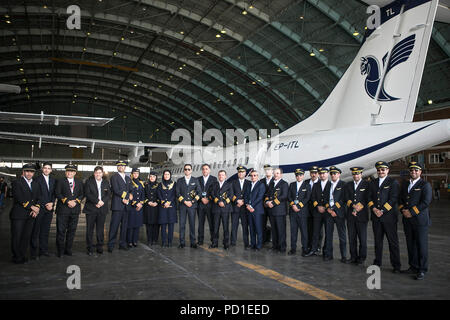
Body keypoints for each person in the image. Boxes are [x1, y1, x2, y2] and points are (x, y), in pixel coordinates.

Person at [399, 162, 432, 280]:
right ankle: (413, 266)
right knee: (410, 245)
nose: (413, 172)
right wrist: (403, 210)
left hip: (420, 220)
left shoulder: (425, 185)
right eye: (412, 170)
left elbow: (426, 202)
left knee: (421, 245)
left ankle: (422, 269)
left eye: (416, 170)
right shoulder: (405, 184)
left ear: (420, 172)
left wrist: (411, 212)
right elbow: (401, 199)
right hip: (407, 220)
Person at [368, 161, 401, 273]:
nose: (380, 171)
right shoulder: (372, 183)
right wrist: (374, 209)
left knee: (393, 242)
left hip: (389, 217)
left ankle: (396, 265)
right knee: (378, 241)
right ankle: (377, 261)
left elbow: (393, 198)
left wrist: (382, 210)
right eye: (378, 170)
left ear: (387, 170)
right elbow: (369, 198)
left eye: (383, 169)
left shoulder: (393, 182)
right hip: (376, 217)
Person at [10, 163, 41, 264]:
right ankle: (16, 256)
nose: (29, 173)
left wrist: (36, 208)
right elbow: (19, 197)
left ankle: (22, 255)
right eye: (27, 171)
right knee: (17, 236)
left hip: (30, 214)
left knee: (26, 236)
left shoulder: (36, 184)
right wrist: (32, 207)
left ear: (34, 173)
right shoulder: (17, 182)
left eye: (31, 172)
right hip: (19, 214)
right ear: (23, 172)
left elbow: (38, 198)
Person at [55, 164, 84, 257]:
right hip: (63, 210)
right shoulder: (60, 181)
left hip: (75, 210)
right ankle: (60, 250)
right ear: (65, 172)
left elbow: (82, 194)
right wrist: (67, 201)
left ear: (75, 173)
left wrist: (76, 202)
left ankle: (68, 249)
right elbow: (57, 193)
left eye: (71, 171)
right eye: (67, 171)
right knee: (61, 231)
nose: (69, 173)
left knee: (72, 231)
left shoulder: (79, 182)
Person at [83, 166, 111, 255]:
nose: (98, 174)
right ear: (94, 173)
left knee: (100, 229)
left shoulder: (106, 182)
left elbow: (108, 194)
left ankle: (100, 247)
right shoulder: (89, 182)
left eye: (100, 173)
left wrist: (102, 202)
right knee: (89, 229)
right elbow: (87, 193)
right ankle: (89, 248)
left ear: (102, 174)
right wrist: (97, 201)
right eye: (96, 173)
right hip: (91, 208)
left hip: (102, 209)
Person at [344, 167, 369, 265]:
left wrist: (359, 207)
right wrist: (352, 205)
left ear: (361, 174)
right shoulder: (348, 185)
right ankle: (353, 256)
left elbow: (367, 197)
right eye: (354, 174)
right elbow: (346, 197)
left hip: (362, 215)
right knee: (352, 238)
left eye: (358, 174)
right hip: (351, 215)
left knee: (362, 239)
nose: (356, 176)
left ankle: (362, 258)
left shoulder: (366, 184)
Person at [32, 162, 56, 258]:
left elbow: (54, 193)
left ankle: (43, 250)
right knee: (36, 231)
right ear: (42, 169)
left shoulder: (53, 180)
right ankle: (34, 252)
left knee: (45, 231)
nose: (46, 170)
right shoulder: (36, 180)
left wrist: (52, 203)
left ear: (51, 170)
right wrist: (42, 205)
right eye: (45, 168)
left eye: (48, 168)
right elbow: (35, 194)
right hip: (40, 208)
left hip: (49, 209)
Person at [323, 166, 347, 262]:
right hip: (329, 213)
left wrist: (334, 209)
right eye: (332, 174)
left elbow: (343, 199)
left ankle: (344, 256)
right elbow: (324, 198)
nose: (333, 175)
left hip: (339, 213)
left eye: (335, 173)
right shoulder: (328, 185)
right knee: (328, 235)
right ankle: (329, 255)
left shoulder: (343, 184)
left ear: (339, 174)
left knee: (342, 235)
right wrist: (328, 208)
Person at [108, 160, 132, 252]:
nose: (121, 167)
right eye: (119, 166)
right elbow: (116, 190)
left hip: (126, 206)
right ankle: (111, 245)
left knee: (124, 226)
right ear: (117, 167)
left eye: (123, 166)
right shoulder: (114, 177)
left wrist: (130, 195)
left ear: (125, 167)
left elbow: (130, 189)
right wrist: (126, 196)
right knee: (114, 225)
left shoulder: (128, 178)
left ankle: (122, 243)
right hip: (118, 206)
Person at [306, 167, 331, 257]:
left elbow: (332, 198)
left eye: (324, 173)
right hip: (317, 211)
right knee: (315, 232)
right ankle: (313, 249)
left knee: (328, 232)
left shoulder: (331, 184)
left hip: (327, 212)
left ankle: (326, 251)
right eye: (321, 173)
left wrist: (325, 206)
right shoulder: (316, 185)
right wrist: (318, 206)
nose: (322, 175)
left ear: (327, 174)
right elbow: (313, 197)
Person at [176, 164, 202, 249]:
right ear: (184, 170)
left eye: (189, 169)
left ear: (191, 170)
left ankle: (193, 242)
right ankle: (182, 242)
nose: (187, 170)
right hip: (183, 206)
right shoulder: (180, 180)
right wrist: (184, 201)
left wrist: (193, 201)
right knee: (182, 225)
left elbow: (199, 193)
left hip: (192, 206)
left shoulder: (195, 180)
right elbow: (177, 193)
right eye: (185, 169)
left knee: (192, 224)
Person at [287, 168, 311, 256]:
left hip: (302, 212)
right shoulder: (292, 185)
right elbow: (289, 196)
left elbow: (307, 198)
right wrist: (293, 204)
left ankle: (305, 248)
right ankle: (293, 248)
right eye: (297, 175)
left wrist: (299, 206)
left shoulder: (307, 185)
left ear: (303, 175)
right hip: (293, 211)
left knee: (304, 231)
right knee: (293, 231)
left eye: (300, 175)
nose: (298, 177)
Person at [265, 168, 289, 253]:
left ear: (281, 174)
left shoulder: (284, 184)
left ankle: (282, 248)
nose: (276, 175)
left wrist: (273, 203)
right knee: (274, 230)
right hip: (271, 211)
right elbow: (267, 194)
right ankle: (275, 246)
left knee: (281, 230)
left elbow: (284, 196)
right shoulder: (271, 183)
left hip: (280, 211)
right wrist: (267, 202)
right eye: (275, 173)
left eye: (277, 173)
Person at [210, 170, 234, 249]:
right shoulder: (214, 184)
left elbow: (231, 195)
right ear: (218, 176)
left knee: (225, 227)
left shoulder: (229, 184)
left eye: (223, 175)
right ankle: (214, 243)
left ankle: (226, 244)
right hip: (216, 208)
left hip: (225, 209)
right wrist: (218, 202)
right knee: (215, 227)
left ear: (225, 176)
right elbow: (212, 194)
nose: (221, 176)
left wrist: (224, 202)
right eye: (220, 175)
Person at [244, 170, 266, 251]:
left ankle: (259, 245)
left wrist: (251, 206)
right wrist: (247, 205)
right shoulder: (248, 185)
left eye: (255, 175)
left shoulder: (261, 185)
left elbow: (260, 197)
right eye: (252, 175)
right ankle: (253, 244)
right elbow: (245, 196)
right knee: (252, 228)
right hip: (249, 210)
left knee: (258, 228)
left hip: (257, 210)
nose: (253, 177)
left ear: (258, 176)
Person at [197, 164, 217, 246]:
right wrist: (201, 198)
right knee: (200, 223)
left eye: (206, 169)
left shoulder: (214, 179)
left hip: (210, 204)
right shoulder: (198, 179)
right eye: (203, 169)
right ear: (202, 170)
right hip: (201, 204)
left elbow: (214, 191)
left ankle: (213, 240)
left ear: (209, 170)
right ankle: (200, 240)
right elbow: (197, 191)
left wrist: (208, 198)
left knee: (211, 223)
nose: (205, 170)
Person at [231, 166, 251, 248]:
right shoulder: (233, 182)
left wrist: (243, 201)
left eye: (242, 172)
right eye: (239, 172)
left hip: (244, 208)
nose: (241, 173)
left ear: (245, 173)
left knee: (245, 226)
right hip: (235, 207)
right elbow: (231, 194)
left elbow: (250, 194)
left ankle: (246, 243)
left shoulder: (249, 183)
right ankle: (232, 242)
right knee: (234, 225)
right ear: (238, 173)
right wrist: (237, 201)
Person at [157, 170, 177, 247]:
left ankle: (170, 242)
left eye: (168, 174)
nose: (166, 176)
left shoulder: (174, 184)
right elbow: (159, 194)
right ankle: (164, 241)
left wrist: (169, 202)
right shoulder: (160, 184)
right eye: (165, 174)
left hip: (171, 207)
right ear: (163, 175)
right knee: (163, 225)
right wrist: (163, 202)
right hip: (163, 207)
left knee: (171, 225)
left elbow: (174, 194)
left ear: (170, 175)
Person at [127, 168, 145, 248]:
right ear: (131, 174)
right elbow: (129, 195)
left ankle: (135, 240)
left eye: (137, 173)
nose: (135, 175)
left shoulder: (141, 183)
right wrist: (135, 204)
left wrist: (141, 204)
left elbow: (143, 195)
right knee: (130, 225)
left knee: (137, 225)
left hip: (139, 207)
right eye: (134, 173)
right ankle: (129, 241)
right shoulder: (129, 182)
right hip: (131, 207)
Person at [305, 166, 321, 253]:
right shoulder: (306, 182)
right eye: (312, 173)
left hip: (317, 209)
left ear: (317, 173)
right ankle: (309, 245)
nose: (313, 174)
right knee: (309, 228)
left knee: (318, 230)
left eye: (315, 173)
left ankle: (318, 246)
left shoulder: (320, 182)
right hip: (308, 209)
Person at [143, 171, 160, 246]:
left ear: (156, 177)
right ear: (149, 177)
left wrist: (157, 202)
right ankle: (149, 240)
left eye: (153, 176)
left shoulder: (159, 185)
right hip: (148, 207)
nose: (152, 178)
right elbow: (143, 195)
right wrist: (148, 202)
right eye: (150, 176)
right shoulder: (145, 185)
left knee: (156, 225)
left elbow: (161, 195)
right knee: (149, 224)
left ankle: (155, 240)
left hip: (157, 207)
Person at [260, 164, 273, 244]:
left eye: (269, 170)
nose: (267, 171)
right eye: (266, 170)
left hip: (272, 206)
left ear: (272, 171)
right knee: (262, 224)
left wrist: (271, 202)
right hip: (263, 206)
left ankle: (274, 241)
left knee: (273, 224)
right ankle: (263, 240)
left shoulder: (275, 180)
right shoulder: (261, 181)